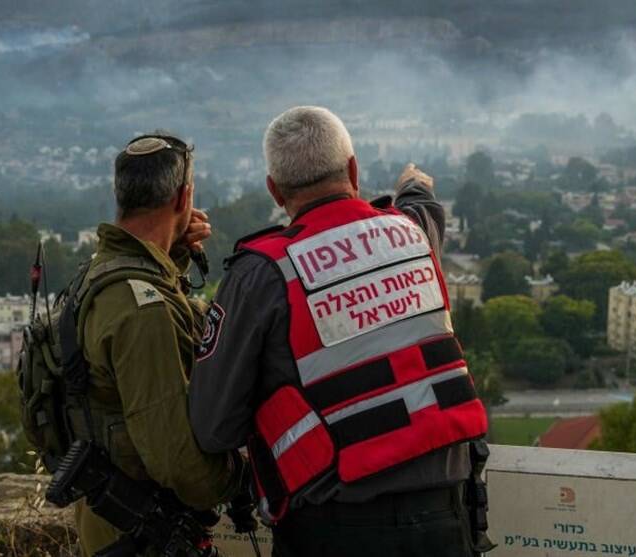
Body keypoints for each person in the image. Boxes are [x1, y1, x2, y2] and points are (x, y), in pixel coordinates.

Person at [188, 107, 490, 557]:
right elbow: (424, 213)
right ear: (353, 169)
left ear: (274, 190)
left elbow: (213, 428)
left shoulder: (261, 275)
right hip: (446, 521)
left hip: (333, 528)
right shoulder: (411, 236)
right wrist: (414, 187)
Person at [72, 134, 244, 556]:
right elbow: (179, 464)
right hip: (140, 534)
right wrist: (244, 475)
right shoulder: (142, 311)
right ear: (184, 196)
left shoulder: (99, 272)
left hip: (107, 521)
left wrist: (175, 254)